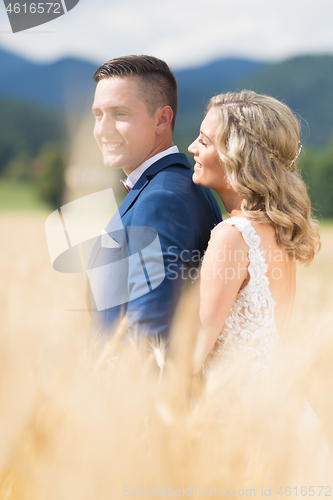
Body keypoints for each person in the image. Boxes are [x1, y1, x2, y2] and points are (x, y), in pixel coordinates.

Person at [88, 55, 221, 340]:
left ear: (162, 119)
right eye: (98, 115)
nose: (103, 129)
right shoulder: (182, 182)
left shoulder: (162, 200)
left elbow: (148, 335)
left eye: (120, 114)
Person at [188, 90, 320, 375]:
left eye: (203, 141)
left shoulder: (233, 235)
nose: (191, 147)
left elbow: (191, 356)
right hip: (272, 406)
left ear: (235, 155)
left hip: (234, 410)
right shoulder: (276, 228)